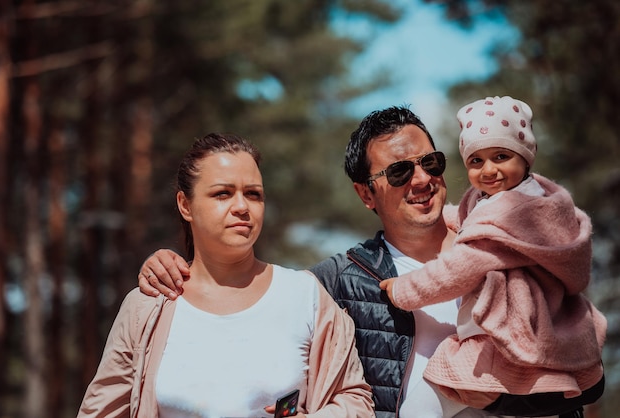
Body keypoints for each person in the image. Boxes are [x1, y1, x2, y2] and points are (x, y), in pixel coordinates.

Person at [138, 106, 593, 418]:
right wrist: (173, 265)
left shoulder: (510, 245)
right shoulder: (337, 281)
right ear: (365, 194)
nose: (422, 179)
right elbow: (245, 302)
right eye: (398, 171)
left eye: (430, 163)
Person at [77, 133, 375, 418]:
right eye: (223, 193)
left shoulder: (305, 295)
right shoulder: (148, 306)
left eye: (253, 194)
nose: (242, 207)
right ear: (185, 205)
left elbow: (356, 402)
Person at [379, 96, 607, 415]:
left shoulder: (511, 215)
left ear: (526, 157)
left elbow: (458, 269)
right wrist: (437, 216)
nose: (488, 170)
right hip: (534, 337)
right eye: (476, 161)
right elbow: (472, 218)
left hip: (503, 342)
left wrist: (403, 290)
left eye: (501, 156)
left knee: (419, 409)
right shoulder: (525, 201)